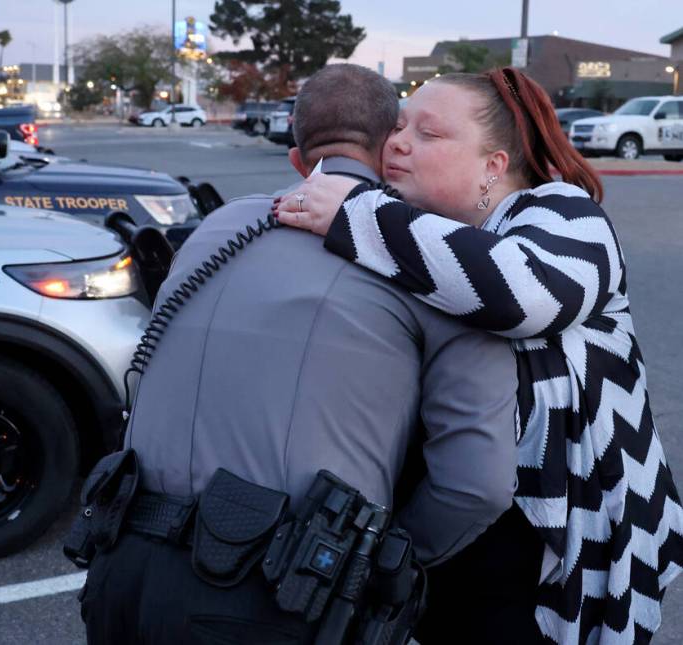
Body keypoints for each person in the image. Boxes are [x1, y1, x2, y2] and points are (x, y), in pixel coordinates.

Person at [78, 64, 520, 644]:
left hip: (120, 574)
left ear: (296, 152)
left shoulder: (220, 227)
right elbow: (476, 485)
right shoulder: (433, 259)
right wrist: (376, 559)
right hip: (278, 595)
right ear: (392, 147)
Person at [274, 67, 683, 645]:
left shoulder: (564, 215)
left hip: (569, 548)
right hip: (462, 547)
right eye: (397, 127)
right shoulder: (419, 237)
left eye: (429, 134)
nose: (397, 142)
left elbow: (525, 294)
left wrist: (353, 211)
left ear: (494, 164)